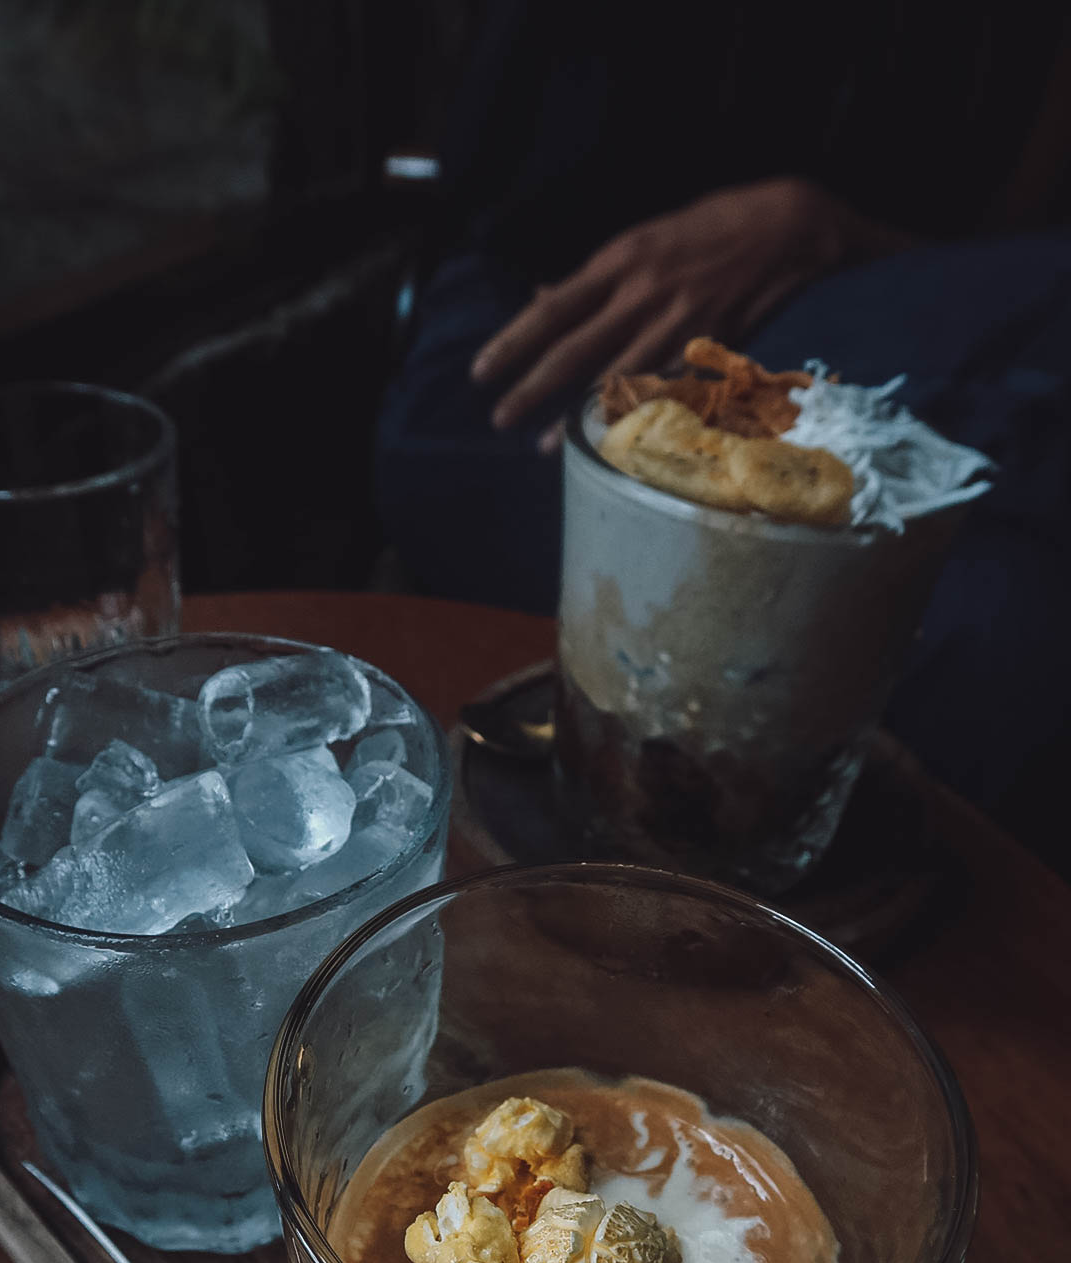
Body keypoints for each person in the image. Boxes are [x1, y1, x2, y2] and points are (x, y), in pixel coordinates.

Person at [375, 3, 1071, 822]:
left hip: (888, 336)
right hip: (558, 332)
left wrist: (828, 233)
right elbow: (509, 183)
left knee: (1007, 624)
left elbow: (1005, 239)